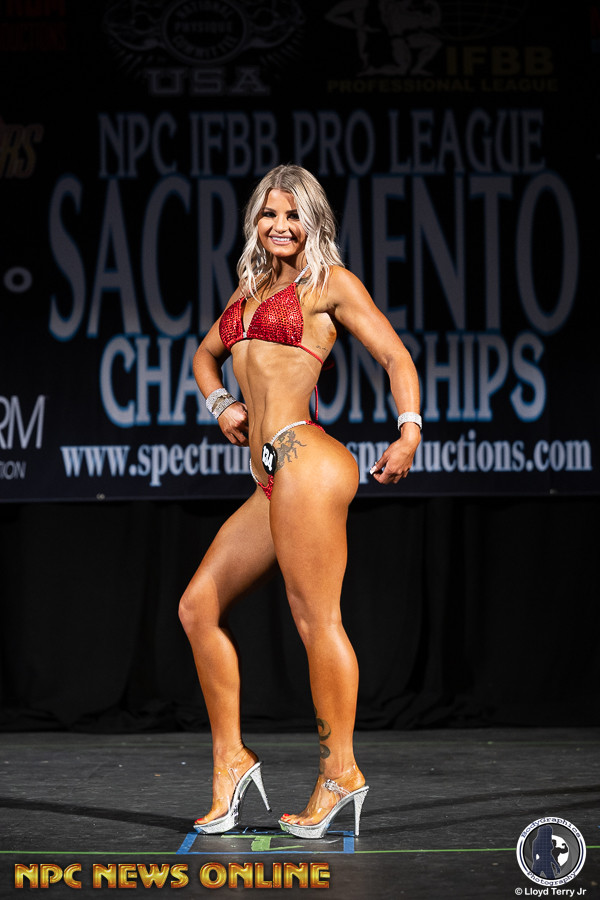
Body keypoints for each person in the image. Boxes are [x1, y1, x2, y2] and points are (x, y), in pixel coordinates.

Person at [178, 164, 421, 839]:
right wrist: (221, 404)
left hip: (305, 457)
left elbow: (395, 357)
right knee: (197, 607)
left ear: (314, 223)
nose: (280, 226)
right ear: (255, 222)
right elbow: (202, 356)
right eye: (269, 214)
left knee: (317, 622)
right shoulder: (248, 291)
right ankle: (231, 762)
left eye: (293, 215)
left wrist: (408, 431)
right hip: (269, 477)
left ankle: (340, 772)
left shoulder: (329, 284)